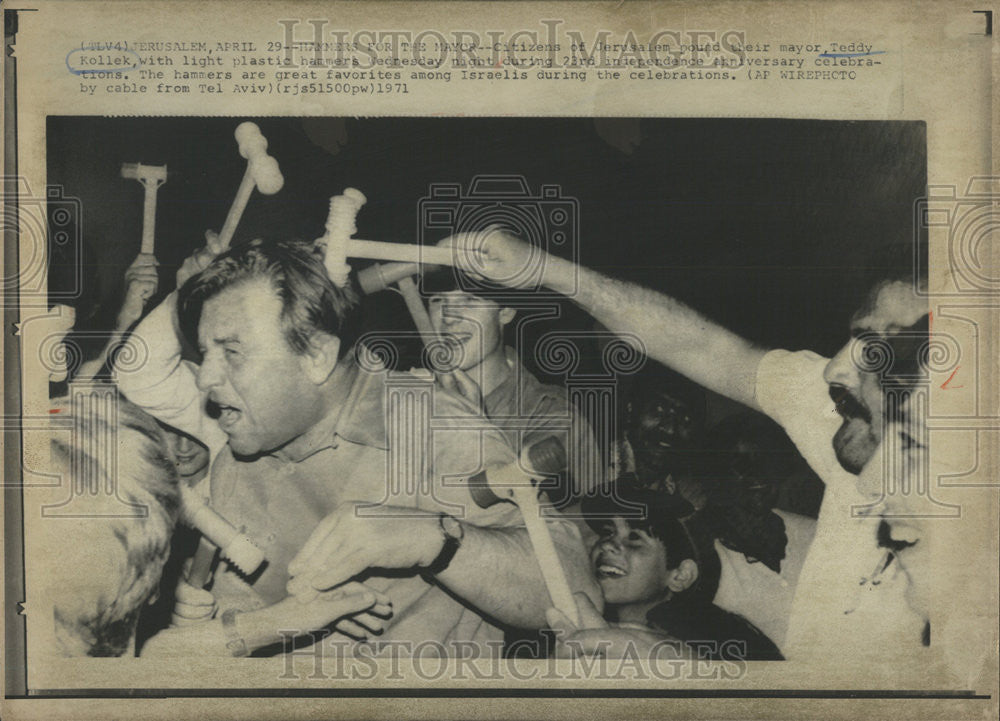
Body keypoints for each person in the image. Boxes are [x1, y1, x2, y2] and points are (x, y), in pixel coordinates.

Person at [440, 228, 931, 657]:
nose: (835, 368)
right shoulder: (856, 420)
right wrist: (542, 267)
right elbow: (704, 347)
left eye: (877, 346)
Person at [117, 236, 599, 657]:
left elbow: (578, 592)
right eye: (204, 353)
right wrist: (222, 628)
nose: (206, 377)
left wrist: (433, 540)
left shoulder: (422, 423)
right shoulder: (238, 452)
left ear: (317, 355)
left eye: (232, 352)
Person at [423, 268, 605, 507]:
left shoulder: (552, 416)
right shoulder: (404, 401)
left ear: (506, 311)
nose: (448, 317)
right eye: (438, 300)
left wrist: (476, 431)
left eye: (470, 299)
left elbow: (564, 531)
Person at [548, 486, 782, 661]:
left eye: (635, 538)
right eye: (608, 533)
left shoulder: (713, 638)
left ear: (680, 576)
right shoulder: (574, 615)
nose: (607, 545)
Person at [698, 412, 817, 651]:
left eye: (768, 460)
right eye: (741, 463)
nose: (757, 473)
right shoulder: (699, 551)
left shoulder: (815, 533)